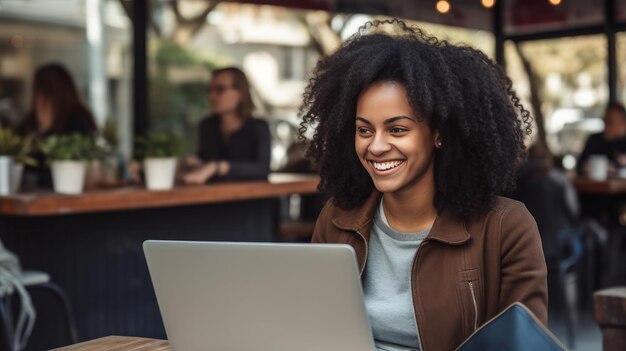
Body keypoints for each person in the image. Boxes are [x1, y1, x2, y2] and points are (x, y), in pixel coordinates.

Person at [299, 19, 547, 351]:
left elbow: (523, 345)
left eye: (397, 129)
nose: (376, 146)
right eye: (364, 129)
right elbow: (311, 329)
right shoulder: (336, 219)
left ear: (439, 134)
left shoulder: (505, 227)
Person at [183, 67, 271, 183]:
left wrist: (217, 167)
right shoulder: (207, 126)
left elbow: (262, 169)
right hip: (215, 198)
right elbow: (204, 163)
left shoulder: (258, 127)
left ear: (240, 93)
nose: (211, 96)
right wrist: (196, 163)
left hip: (251, 199)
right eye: (210, 90)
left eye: (220, 90)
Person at [17, 63, 97, 187]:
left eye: (38, 90)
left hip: (69, 195)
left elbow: (85, 163)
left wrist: (45, 131)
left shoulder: (78, 119)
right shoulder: (30, 121)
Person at [577, 102, 626, 176]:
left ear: (623, 123)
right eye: (604, 120)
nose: (606, 125)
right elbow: (580, 166)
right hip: (596, 186)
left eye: (610, 122)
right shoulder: (595, 140)